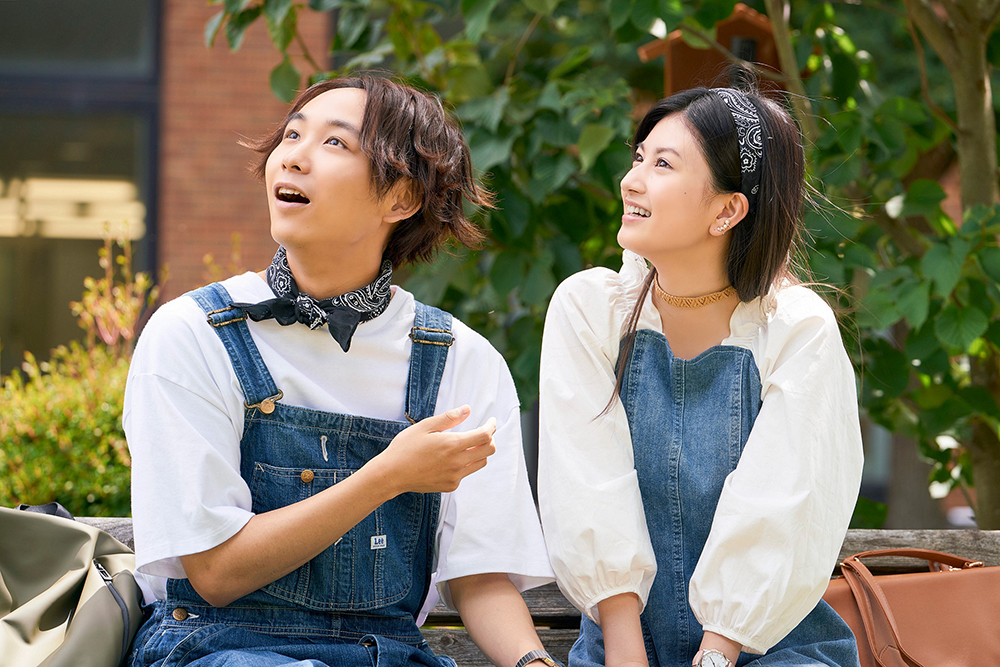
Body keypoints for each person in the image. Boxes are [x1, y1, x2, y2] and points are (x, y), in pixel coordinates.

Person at [124, 74, 558, 667]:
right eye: (292, 135)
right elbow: (216, 572)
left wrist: (535, 662)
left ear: (401, 198)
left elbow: (479, 578)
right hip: (221, 649)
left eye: (334, 143)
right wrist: (387, 476)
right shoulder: (193, 333)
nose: (294, 158)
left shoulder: (462, 358)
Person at [537, 84, 864, 667]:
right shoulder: (590, 310)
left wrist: (716, 652)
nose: (631, 181)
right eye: (639, 157)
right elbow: (587, 488)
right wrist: (625, 652)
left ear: (727, 211)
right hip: (621, 649)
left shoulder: (795, 330)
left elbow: (780, 510)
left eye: (663, 164)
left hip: (769, 650)